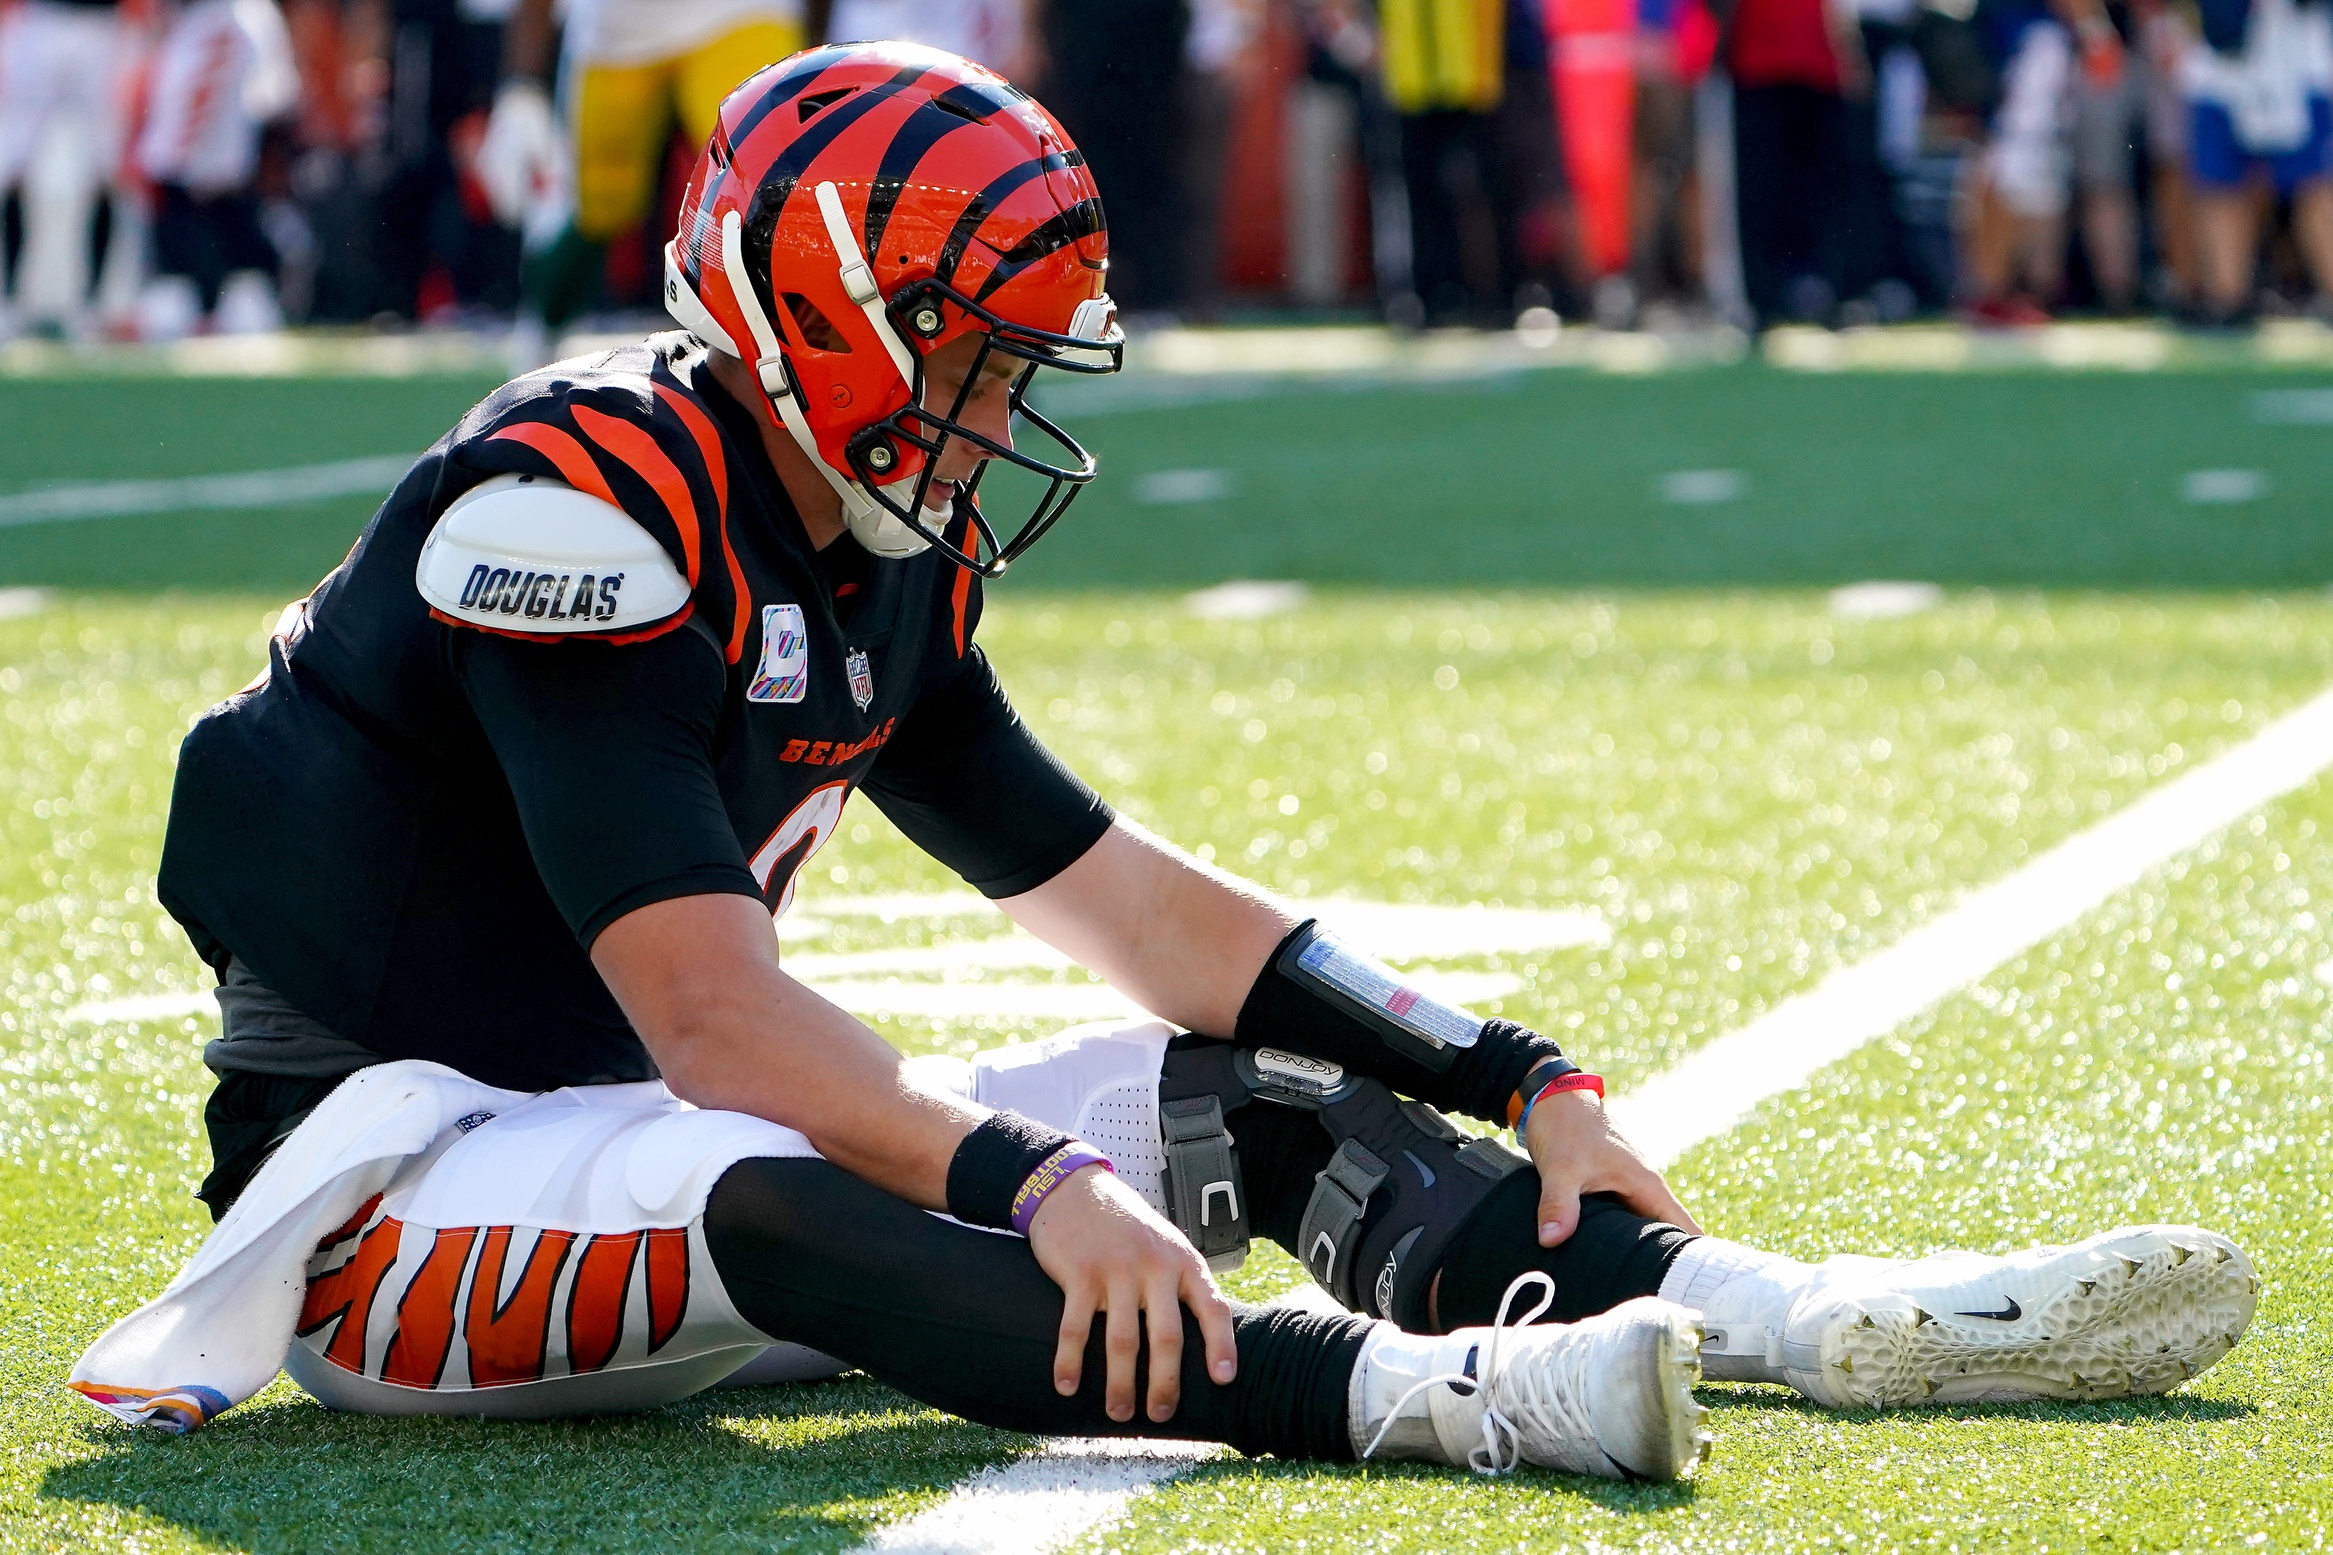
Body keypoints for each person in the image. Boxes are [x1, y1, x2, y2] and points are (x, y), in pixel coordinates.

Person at [73, 44, 2258, 1486]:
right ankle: (1424, 1401)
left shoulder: (870, 534)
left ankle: (1777, 1312)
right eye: (972, 349)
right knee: (834, 1181)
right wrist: (1026, 1179)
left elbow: (1125, 910)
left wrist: (1516, 1066)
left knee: (1251, 1107)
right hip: (396, 1200)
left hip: (647, 1124)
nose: (1000, 400)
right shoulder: (572, 504)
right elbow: (711, 1017)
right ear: (831, 308)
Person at [475, 0, 813, 345]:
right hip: (615, 41)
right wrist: (521, 88)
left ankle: (810, 342)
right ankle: (543, 326)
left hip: (741, 15)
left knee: (774, 184)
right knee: (598, 208)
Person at [2179, 0, 2333, 325]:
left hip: (2293, 49)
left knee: (2314, 183)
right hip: (2219, 54)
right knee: (2220, 183)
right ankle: (2227, 298)